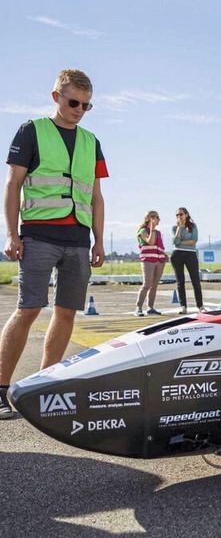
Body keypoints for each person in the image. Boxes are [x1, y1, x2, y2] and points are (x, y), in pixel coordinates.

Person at [0, 69, 107, 419]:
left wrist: (99, 241)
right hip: (39, 235)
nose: (79, 109)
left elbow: (96, 195)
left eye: (86, 106)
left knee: (65, 313)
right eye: (73, 102)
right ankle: (1, 390)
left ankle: (43, 387)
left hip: (78, 239)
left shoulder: (92, 141)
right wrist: (11, 233)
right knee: (29, 309)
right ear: (56, 97)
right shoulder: (31, 131)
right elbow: (13, 184)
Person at [171, 207, 204, 314]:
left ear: (186, 215)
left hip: (191, 254)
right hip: (177, 254)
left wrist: (181, 241)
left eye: (181, 214)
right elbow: (175, 242)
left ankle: (200, 305)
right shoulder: (174, 227)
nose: (179, 216)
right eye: (177, 215)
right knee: (180, 281)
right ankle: (183, 306)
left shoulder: (193, 226)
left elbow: (193, 241)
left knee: (195, 280)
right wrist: (179, 228)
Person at [135, 210, 168, 316]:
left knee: (154, 285)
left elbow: (158, 246)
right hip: (148, 260)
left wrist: (164, 255)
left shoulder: (159, 233)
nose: (159, 220)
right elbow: (151, 242)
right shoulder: (143, 230)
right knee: (146, 284)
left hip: (159, 261)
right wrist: (152, 228)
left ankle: (150, 307)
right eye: (157, 217)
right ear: (150, 218)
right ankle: (138, 308)